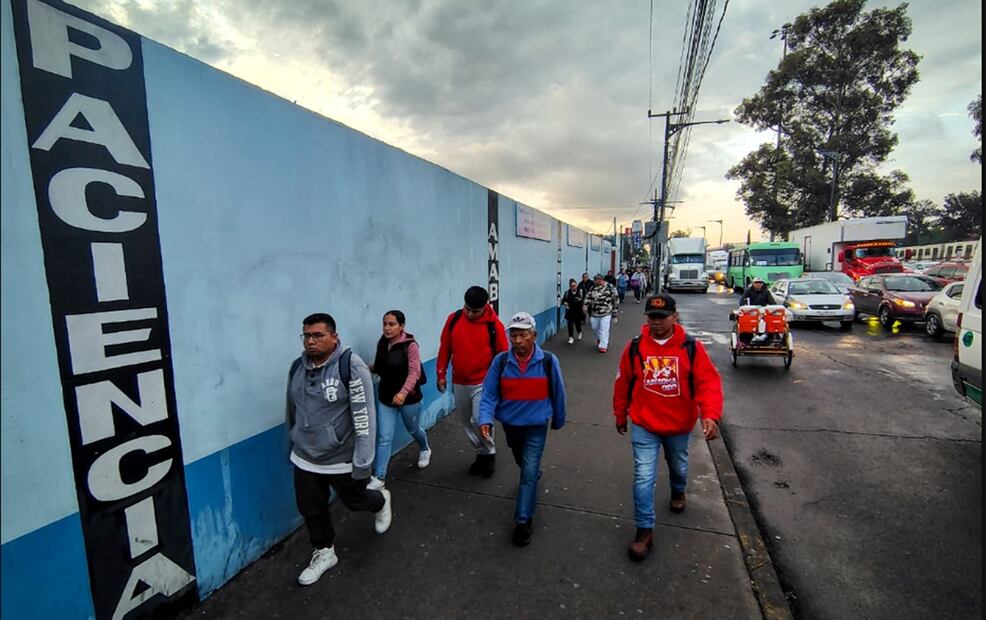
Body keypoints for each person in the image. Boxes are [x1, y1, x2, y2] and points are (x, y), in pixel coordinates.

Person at [612, 294, 723, 561]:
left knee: (679, 466)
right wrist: (620, 415)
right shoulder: (636, 346)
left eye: (662, 317)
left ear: (675, 317)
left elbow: (708, 383)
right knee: (643, 477)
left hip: (678, 425)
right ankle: (644, 530)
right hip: (644, 424)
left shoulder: (690, 347)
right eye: (652, 317)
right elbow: (622, 382)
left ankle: (678, 488)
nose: (657, 322)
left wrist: (711, 415)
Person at [286, 313, 392, 586]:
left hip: (341, 458)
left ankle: (381, 501)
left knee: (355, 502)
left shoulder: (351, 366)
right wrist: (292, 440)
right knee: (311, 508)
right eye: (306, 335)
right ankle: (324, 552)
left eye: (318, 335)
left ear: (334, 337)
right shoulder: (297, 366)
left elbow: (364, 416)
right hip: (305, 457)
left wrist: (362, 461)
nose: (311, 341)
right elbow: (292, 409)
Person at [478, 311, 566, 546]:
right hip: (511, 425)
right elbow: (489, 393)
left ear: (534, 335)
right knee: (521, 460)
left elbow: (558, 392)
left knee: (527, 473)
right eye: (514, 336)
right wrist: (485, 419)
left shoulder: (548, 361)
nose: (518, 341)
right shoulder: (501, 362)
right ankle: (532, 472)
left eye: (523, 335)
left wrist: (558, 418)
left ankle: (523, 521)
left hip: (537, 426)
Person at [436, 286, 509, 477]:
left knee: (479, 419)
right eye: (466, 308)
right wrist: (441, 373)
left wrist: (502, 384)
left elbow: (502, 357)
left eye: (474, 311)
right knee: (465, 422)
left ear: (485, 307)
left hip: (483, 383)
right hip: (459, 382)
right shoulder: (453, 320)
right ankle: (481, 451)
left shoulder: (495, 326)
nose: (469, 313)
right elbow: (445, 348)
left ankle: (489, 453)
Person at [368, 310, 431, 491]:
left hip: (409, 399)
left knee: (413, 429)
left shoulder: (410, 346)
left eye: (392, 324)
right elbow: (379, 366)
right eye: (385, 324)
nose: (387, 328)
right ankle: (379, 477)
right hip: (386, 398)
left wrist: (403, 392)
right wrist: (362, 368)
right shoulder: (382, 343)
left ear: (402, 326)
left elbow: (415, 372)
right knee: (384, 438)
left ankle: (425, 448)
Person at [585, 273, 620, 353]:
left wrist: (615, 312)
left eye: (598, 280)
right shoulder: (593, 288)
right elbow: (588, 297)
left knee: (604, 328)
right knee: (594, 327)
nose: (596, 282)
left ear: (601, 280)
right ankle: (600, 338)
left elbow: (616, 299)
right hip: (595, 312)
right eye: (595, 280)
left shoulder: (610, 287)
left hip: (606, 312)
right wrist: (585, 306)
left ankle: (603, 346)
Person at [561, 278, 586, 345]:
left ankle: (579, 332)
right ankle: (571, 337)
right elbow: (563, 301)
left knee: (577, 325)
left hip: (578, 312)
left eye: (575, 285)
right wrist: (565, 303)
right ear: (570, 287)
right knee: (570, 325)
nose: (574, 287)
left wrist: (584, 308)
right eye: (572, 286)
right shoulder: (567, 293)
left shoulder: (580, 292)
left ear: (577, 285)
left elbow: (584, 300)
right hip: (570, 312)